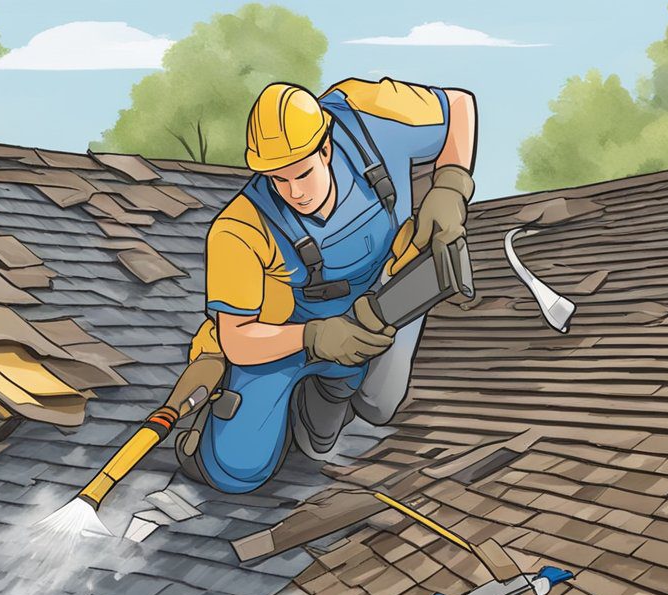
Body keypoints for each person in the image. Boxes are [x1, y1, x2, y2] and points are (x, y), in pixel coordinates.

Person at [181, 78, 478, 494]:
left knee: (379, 407)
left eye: (302, 174)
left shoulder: (369, 115)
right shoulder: (238, 228)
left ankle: (330, 395)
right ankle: (287, 406)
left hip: (388, 290)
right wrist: (315, 337)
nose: (294, 193)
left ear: (326, 148)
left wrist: (450, 186)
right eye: (277, 180)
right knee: (237, 469)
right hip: (290, 330)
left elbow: (459, 106)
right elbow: (238, 338)